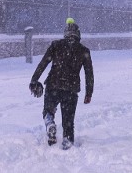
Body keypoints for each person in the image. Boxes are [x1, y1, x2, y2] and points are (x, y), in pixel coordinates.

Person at [29, 17, 94, 149]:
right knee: (68, 121)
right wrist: (89, 93)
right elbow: (89, 74)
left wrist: (34, 80)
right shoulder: (84, 51)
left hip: (53, 85)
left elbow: (43, 63)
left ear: (65, 34)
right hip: (71, 90)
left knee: (48, 110)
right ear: (78, 35)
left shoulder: (56, 45)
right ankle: (67, 142)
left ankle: (50, 123)